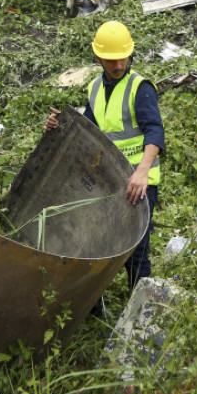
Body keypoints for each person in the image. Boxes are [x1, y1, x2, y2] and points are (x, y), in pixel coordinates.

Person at [44, 21, 163, 289]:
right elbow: (88, 131)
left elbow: (155, 131)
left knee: (137, 250)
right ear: (98, 57)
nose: (118, 65)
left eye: (123, 57)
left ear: (131, 54)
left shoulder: (140, 88)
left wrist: (141, 173)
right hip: (107, 180)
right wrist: (58, 126)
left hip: (138, 182)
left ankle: (140, 310)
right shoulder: (94, 88)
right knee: (97, 243)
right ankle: (94, 308)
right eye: (111, 60)